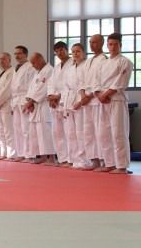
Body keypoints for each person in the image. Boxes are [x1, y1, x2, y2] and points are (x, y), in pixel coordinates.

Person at [96, 32, 133, 174]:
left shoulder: (125, 62)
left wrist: (106, 94)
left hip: (117, 99)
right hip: (103, 100)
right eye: (110, 44)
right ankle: (109, 163)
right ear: (107, 45)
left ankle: (121, 166)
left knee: (118, 132)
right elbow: (96, 82)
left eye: (115, 44)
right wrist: (99, 94)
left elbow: (120, 82)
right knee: (103, 133)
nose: (112, 47)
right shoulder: (103, 63)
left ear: (120, 45)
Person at [79, 34, 107, 169]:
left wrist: (89, 96)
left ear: (101, 43)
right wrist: (82, 95)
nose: (91, 45)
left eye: (94, 42)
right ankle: (94, 160)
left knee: (100, 131)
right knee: (88, 132)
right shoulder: (88, 61)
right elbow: (82, 81)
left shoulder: (104, 60)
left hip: (96, 100)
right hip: (86, 101)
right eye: (90, 42)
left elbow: (101, 81)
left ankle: (104, 160)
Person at [23, 52, 55, 164]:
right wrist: (29, 100)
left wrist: (31, 101)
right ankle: (42, 155)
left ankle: (51, 157)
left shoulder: (49, 70)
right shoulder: (38, 72)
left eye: (34, 62)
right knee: (36, 133)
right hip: (35, 106)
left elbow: (44, 89)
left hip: (44, 105)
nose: (33, 65)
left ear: (41, 59)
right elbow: (31, 89)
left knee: (46, 132)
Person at [48, 41, 73, 166]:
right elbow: (51, 84)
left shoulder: (73, 64)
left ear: (66, 50)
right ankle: (62, 158)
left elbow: (71, 84)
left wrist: (59, 96)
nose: (59, 53)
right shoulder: (56, 67)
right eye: (57, 51)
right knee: (57, 132)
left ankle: (70, 159)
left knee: (68, 132)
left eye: (61, 50)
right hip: (55, 103)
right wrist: (51, 97)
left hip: (66, 100)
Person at [9, 46, 33, 160]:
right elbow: (13, 87)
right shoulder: (16, 68)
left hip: (24, 98)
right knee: (17, 128)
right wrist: (11, 104)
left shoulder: (30, 67)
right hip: (15, 100)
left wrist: (30, 101)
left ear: (25, 54)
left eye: (19, 53)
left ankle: (29, 153)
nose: (17, 56)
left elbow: (31, 85)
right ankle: (20, 153)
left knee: (26, 128)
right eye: (15, 54)